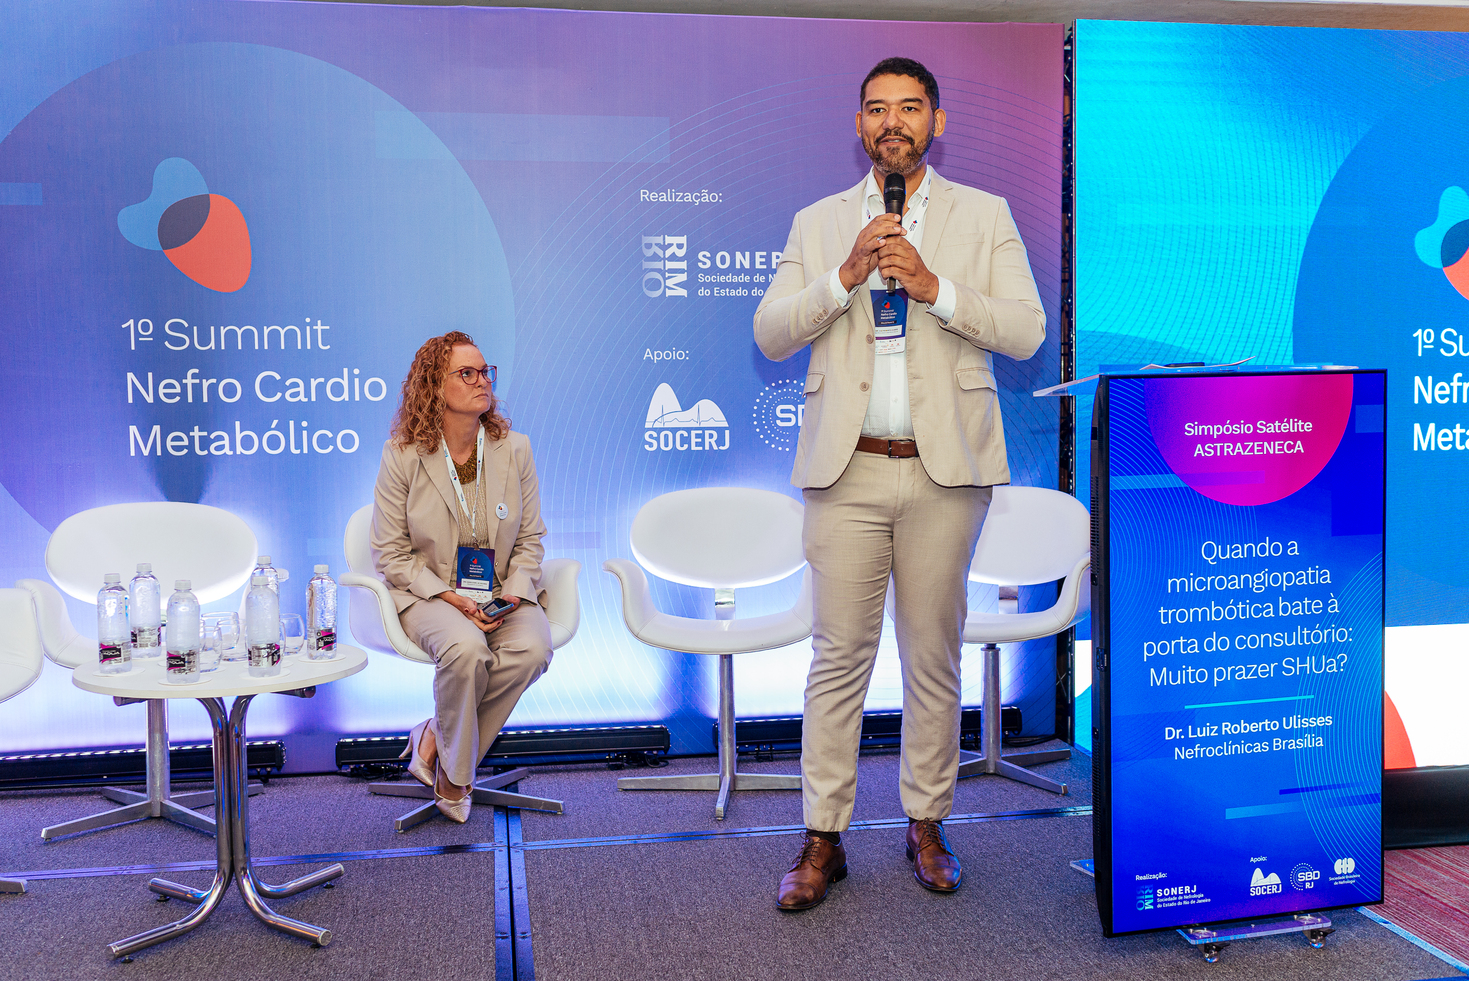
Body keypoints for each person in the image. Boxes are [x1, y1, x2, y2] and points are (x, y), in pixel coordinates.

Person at [753, 57, 1046, 909]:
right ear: (858, 125)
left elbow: (1026, 331)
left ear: (936, 122)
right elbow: (770, 332)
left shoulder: (983, 215)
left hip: (943, 473)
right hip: (844, 471)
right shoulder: (818, 222)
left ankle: (926, 822)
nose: (892, 122)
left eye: (909, 107)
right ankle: (822, 836)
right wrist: (842, 277)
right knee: (836, 659)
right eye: (877, 108)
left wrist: (935, 288)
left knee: (930, 656)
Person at [370, 330, 553, 823]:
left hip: (499, 591)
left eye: (485, 371)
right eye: (466, 373)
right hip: (428, 593)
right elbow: (390, 553)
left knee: (533, 648)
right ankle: (455, 777)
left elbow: (531, 538)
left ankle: (435, 736)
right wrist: (451, 598)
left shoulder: (515, 449)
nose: (482, 381)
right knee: (467, 649)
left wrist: (513, 595)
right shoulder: (402, 455)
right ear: (434, 386)